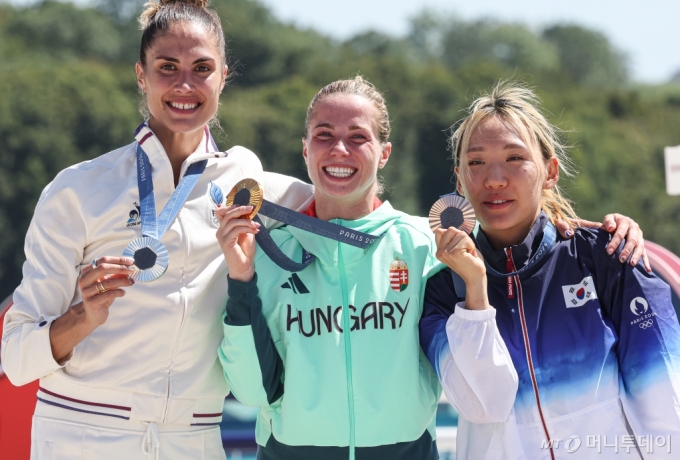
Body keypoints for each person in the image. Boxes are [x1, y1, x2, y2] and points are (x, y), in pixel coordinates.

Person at [1, 1, 312, 458]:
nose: (184, 84)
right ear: (141, 75)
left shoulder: (246, 180)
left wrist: (445, 221)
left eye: (201, 68)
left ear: (223, 76)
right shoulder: (78, 190)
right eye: (167, 67)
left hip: (195, 438)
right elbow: (16, 358)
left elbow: (348, 210)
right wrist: (81, 318)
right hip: (81, 431)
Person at [216, 76, 520, 460]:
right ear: (305, 149)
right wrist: (241, 279)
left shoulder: (426, 246)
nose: (340, 149)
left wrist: (586, 227)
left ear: (384, 152)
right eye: (324, 135)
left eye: (358, 137)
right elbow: (252, 390)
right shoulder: (268, 250)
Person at [420, 82, 680, 459]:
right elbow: (485, 405)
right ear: (460, 180)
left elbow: (666, 405)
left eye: (514, 158)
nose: (494, 178)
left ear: (550, 170)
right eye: (476, 162)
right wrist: (475, 293)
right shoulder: (444, 293)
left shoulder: (609, 257)